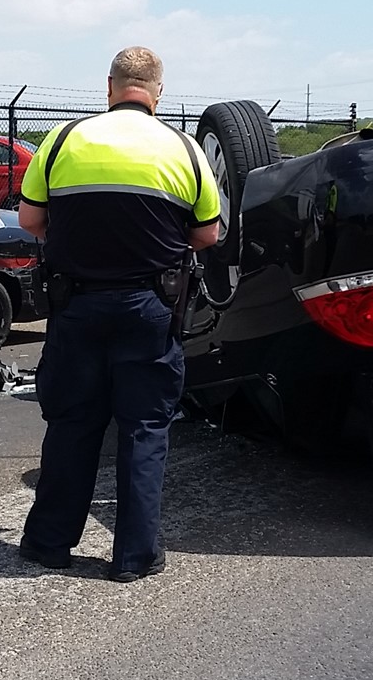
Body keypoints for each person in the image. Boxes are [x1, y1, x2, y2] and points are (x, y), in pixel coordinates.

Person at [15, 47, 222, 582]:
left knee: (71, 424)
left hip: (76, 306)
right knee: (144, 428)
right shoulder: (184, 149)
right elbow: (208, 235)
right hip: (150, 308)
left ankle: (48, 545)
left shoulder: (62, 141)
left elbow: (31, 220)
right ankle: (134, 556)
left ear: (109, 87)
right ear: (158, 93)